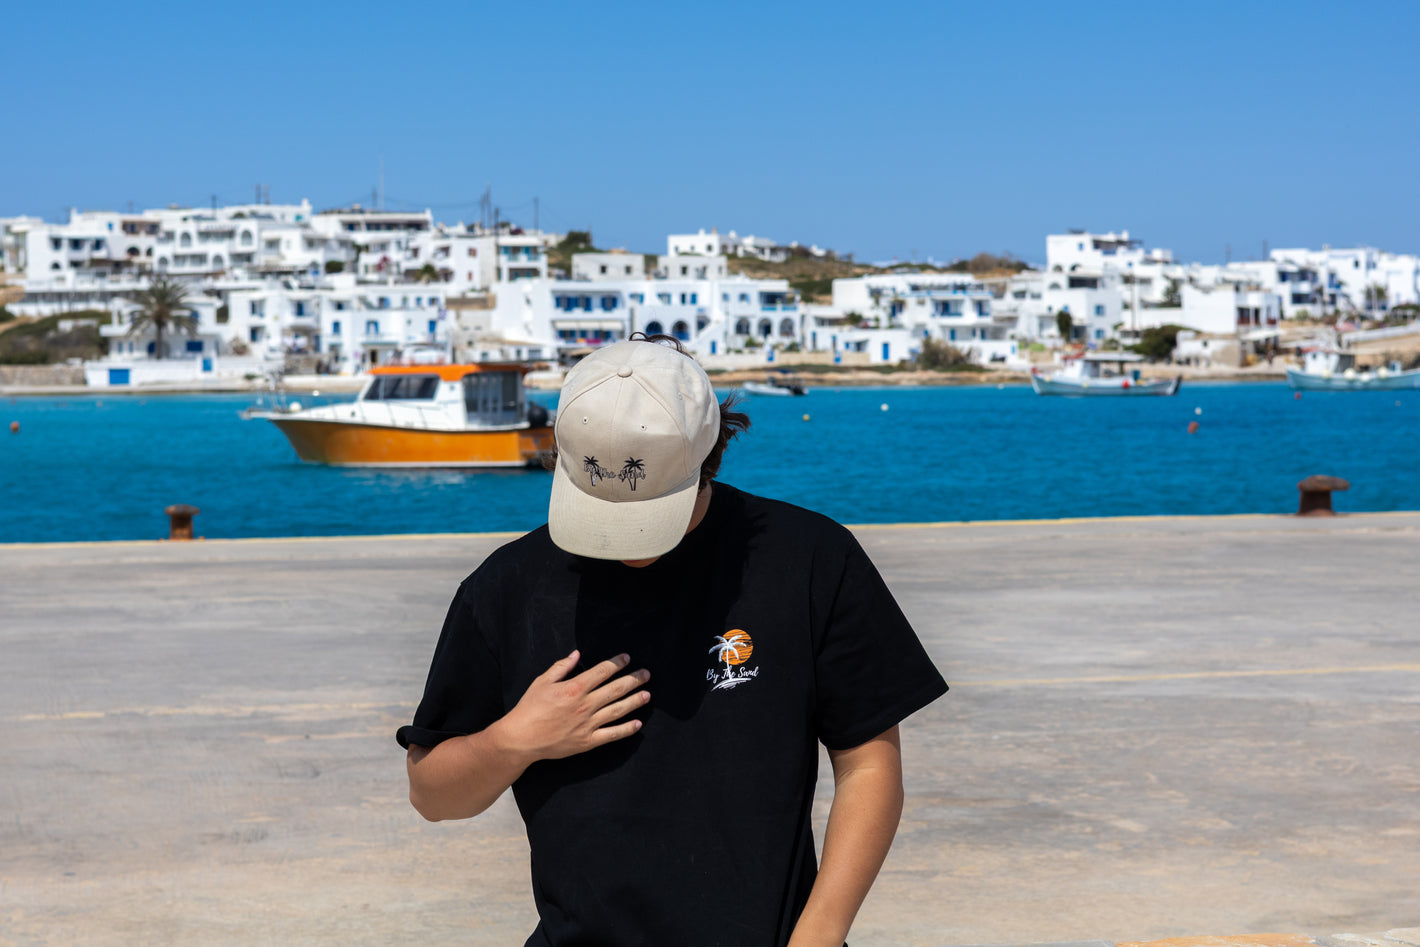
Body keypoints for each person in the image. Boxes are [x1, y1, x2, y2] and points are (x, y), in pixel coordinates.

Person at [397, 336, 947, 946]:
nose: (625, 542)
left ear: (709, 454)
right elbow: (432, 795)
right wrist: (515, 740)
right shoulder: (506, 588)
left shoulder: (811, 560)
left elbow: (868, 763)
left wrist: (818, 934)